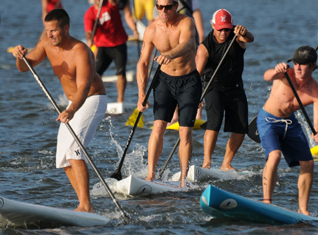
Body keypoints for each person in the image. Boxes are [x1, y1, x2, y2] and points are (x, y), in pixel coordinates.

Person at [12, 9, 107, 213]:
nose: (49, 35)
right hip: (73, 105)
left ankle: (86, 205)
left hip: (92, 100)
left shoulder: (80, 51)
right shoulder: (46, 44)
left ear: (66, 28)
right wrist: (20, 56)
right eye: (47, 31)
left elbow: (83, 86)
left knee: (74, 150)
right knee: (64, 158)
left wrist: (71, 110)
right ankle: (84, 206)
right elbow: (24, 67)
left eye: (53, 31)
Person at [137, 0, 201, 187]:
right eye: (160, 7)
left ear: (176, 7)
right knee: (158, 127)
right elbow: (143, 63)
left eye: (168, 7)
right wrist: (142, 94)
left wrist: (170, 55)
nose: (163, 10)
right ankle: (151, 175)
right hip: (164, 81)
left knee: (185, 131)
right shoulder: (151, 30)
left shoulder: (186, 22)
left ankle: (183, 179)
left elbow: (188, 44)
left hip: (188, 80)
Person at [257, 46, 318, 215]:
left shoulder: (317, 93)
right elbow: (266, 76)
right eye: (295, 63)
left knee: (309, 163)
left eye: (302, 64)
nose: (298, 68)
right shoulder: (285, 73)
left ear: (312, 66)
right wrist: (275, 71)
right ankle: (267, 202)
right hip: (268, 121)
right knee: (275, 155)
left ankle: (303, 209)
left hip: (290, 123)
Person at [196, 9, 254, 171]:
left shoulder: (237, 35)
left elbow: (250, 39)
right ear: (213, 25)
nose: (224, 32)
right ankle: (206, 163)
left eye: (227, 28)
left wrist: (245, 32)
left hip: (235, 87)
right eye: (220, 28)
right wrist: (196, 96)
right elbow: (197, 74)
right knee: (214, 122)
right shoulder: (204, 47)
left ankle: (226, 164)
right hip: (212, 86)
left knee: (241, 127)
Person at [84, 0, 138, 103]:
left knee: (121, 73)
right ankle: (94, 98)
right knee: (96, 74)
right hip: (102, 46)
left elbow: (117, 3)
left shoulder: (111, 3)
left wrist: (134, 29)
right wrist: (89, 38)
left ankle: (120, 101)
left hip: (119, 43)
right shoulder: (90, 13)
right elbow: (88, 31)